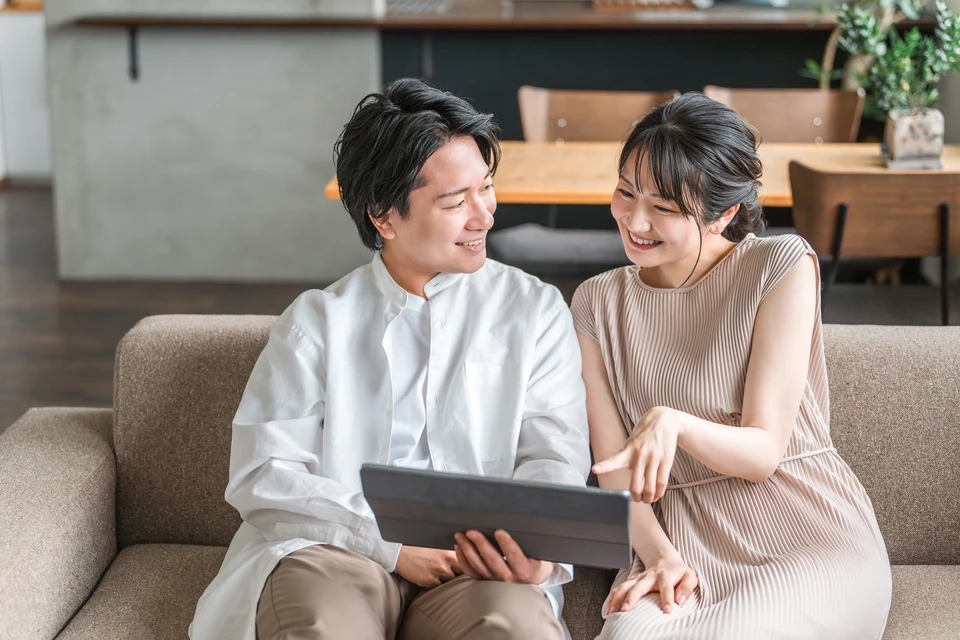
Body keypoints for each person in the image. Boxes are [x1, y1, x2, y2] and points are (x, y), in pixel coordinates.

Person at [189, 78, 591, 640]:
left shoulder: (535, 310)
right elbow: (265, 472)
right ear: (384, 216)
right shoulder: (317, 321)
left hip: (476, 565)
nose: (485, 216)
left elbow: (554, 449)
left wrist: (539, 545)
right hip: (335, 552)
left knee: (517, 632)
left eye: (487, 188)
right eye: (456, 202)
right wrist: (389, 545)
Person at [571, 92, 892, 639]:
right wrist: (660, 558)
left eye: (665, 209)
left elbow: (762, 453)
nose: (634, 219)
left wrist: (672, 422)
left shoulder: (780, 265)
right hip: (675, 542)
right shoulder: (595, 302)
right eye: (626, 192)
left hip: (802, 535)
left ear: (724, 213)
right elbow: (615, 472)